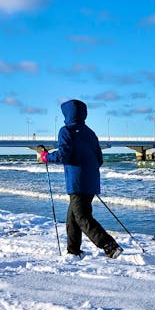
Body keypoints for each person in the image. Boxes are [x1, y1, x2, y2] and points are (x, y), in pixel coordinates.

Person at [42, 99, 123, 259]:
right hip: (91, 181)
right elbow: (99, 159)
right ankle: (73, 252)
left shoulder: (66, 131)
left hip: (77, 182)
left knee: (82, 216)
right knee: (72, 218)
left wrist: (46, 156)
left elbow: (63, 156)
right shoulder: (90, 133)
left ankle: (109, 245)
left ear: (66, 114)